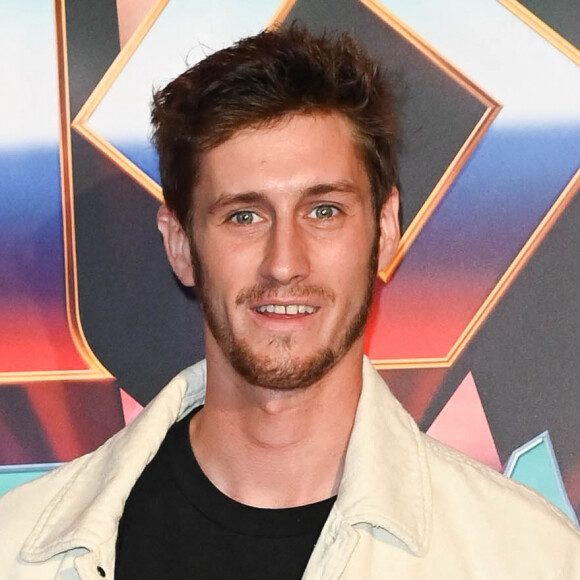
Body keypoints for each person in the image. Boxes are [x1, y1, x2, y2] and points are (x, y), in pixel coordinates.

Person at [1, 25, 579, 580]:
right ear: (180, 245)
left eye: (323, 211)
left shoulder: (526, 559)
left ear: (384, 230)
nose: (284, 262)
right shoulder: (16, 550)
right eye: (244, 216)